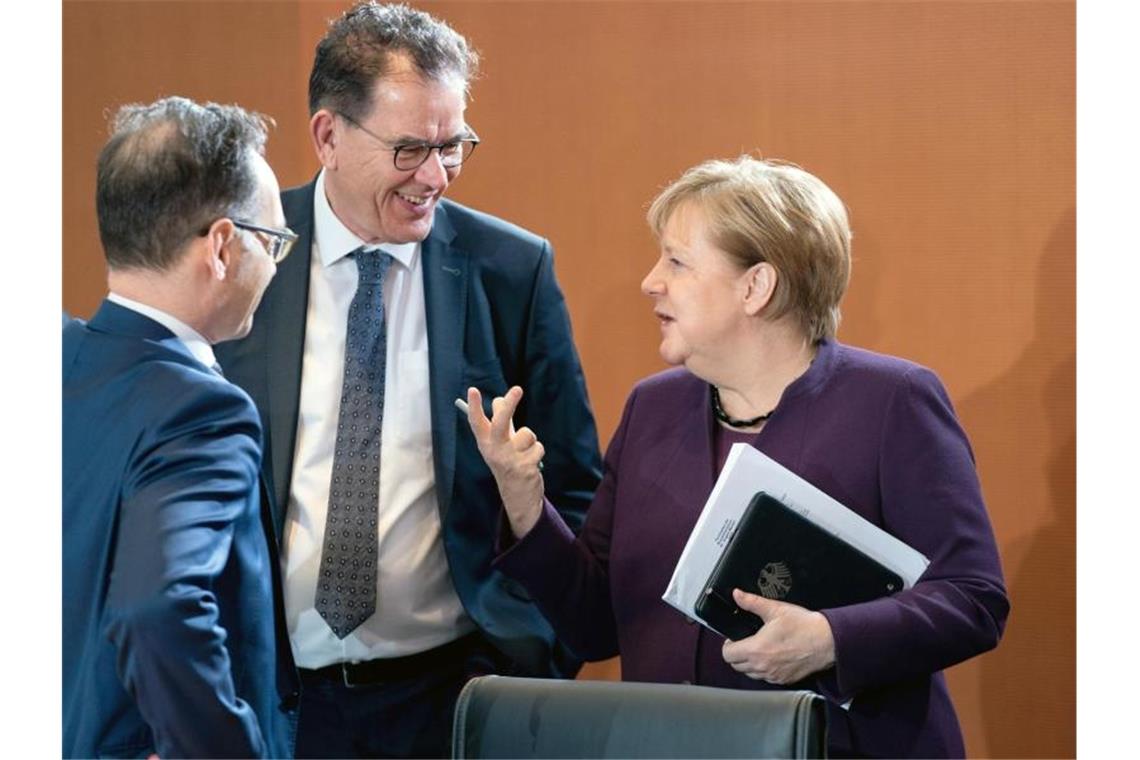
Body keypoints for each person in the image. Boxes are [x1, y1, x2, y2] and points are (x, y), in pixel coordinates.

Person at [465, 156, 1011, 758]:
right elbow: (593, 625)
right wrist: (526, 506)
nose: (650, 282)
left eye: (676, 261)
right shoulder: (653, 408)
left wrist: (831, 639)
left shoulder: (893, 402)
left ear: (756, 287)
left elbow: (972, 598)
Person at [213, 2, 602, 756]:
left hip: (453, 698)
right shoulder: (243, 259)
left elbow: (578, 487)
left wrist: (535, 656)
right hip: (275, 701)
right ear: (328, 135)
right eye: (409, 150)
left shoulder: (511, 272)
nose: (435, 177)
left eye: (452, 146)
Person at [62, 96, 300, 758]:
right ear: (222, 246)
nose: (274, 267)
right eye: (272, 242)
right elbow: (156, 607)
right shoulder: (204, 413)